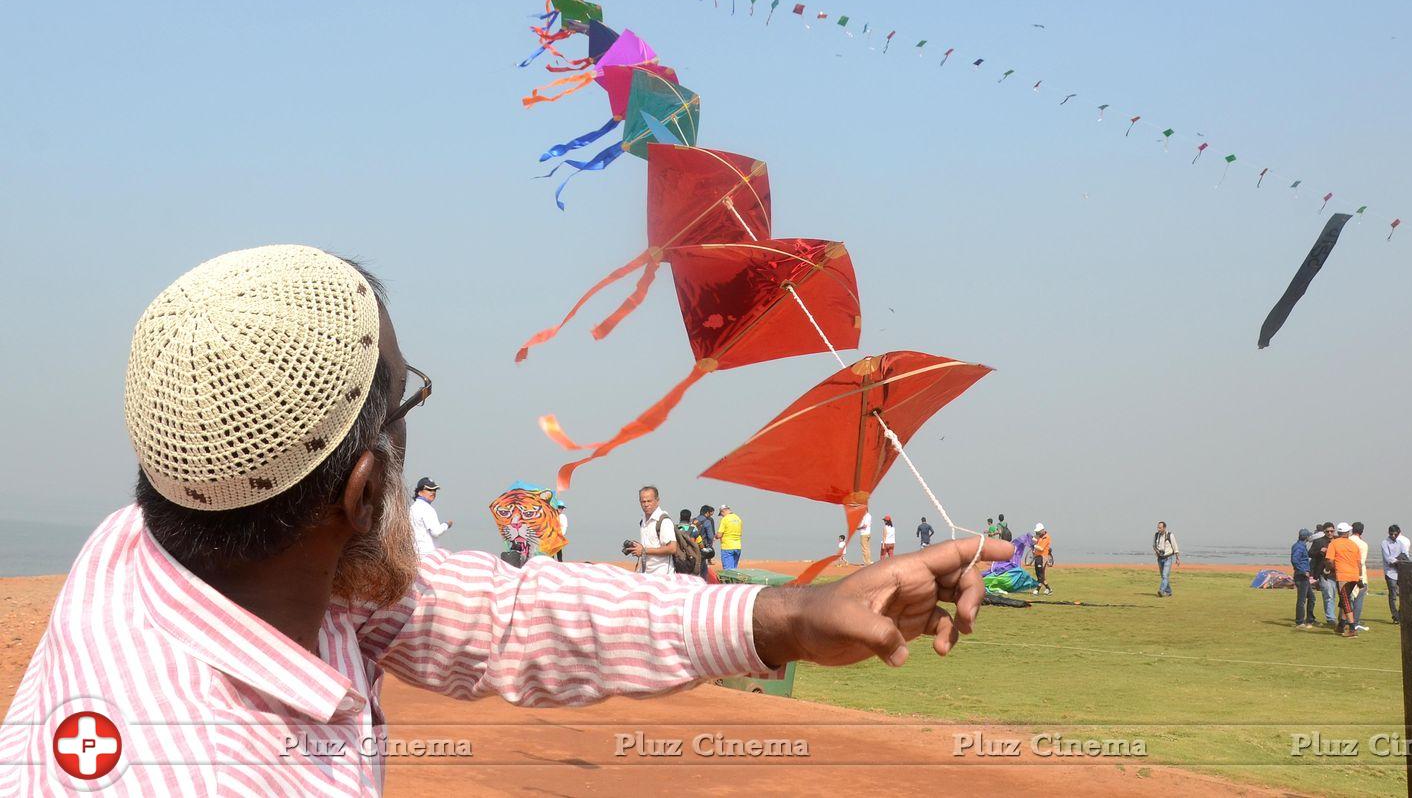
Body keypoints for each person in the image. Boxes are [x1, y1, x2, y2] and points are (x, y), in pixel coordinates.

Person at [0, 245, 1016, 793]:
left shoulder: (228, 550)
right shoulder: (181, 766)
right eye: (406, 409)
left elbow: (502, 618)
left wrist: (786, 618)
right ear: (360, 494)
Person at [625, 486, 677, 576]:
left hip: (663, 574)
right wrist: (638, 549)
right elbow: (649, 547)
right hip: (646, 573)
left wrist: (644, 550)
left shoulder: (663, 521)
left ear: (657, 501)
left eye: (649, 501)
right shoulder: (643, 521)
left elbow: (672, 548)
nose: (646, 504)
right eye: (643, 501)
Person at [1327, 522, 1362, 636]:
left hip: (1342, 576)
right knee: (1344, 600)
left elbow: (1330, 561)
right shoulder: (1353, 545)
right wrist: (1360, 577)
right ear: (1347, 532)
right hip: (1355, 576)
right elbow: (1359, 563)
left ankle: (1352, 628)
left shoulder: (1334, 543)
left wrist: (1328, 570)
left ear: (1338, 532)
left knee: (1345, 601)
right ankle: (1341, 625)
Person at [409, 477, 452, 554]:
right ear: (419, 492)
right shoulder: (427, 508)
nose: (433, 492)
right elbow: (436, 532)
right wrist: (447, 524)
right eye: (429, 489)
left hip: (414, 553)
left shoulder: (411, 509)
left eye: (434, 490)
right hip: (429, 554)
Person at [1380, 523, 1410, 623]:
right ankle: (1395, 616)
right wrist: (1398, 560)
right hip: (1390, 572)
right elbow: (1388, 558)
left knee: (1403, 594)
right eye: (1391, 534)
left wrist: (1398, 560)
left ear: (1398, 533)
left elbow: (1405, 555)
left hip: (1400, 572)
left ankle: (1400, 615)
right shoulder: (1385, 543)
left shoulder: (1400, 543)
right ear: (1388, 533)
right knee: (1392, 595)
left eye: (1395, 534)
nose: (1393, 536)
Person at [1309, 522, 1337, 626]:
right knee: (1328, 595)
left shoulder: (1337, 541)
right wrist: (1320, 551)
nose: (1330, 533)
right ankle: (1330, 618)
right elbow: (1310, 553)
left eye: (1331, 531)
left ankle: (1333, 616)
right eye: (1327, 531)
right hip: (1323, 572)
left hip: (1335, 573)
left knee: (1333, 595)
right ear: (1324, 532)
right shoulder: (1319, 541)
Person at [1291, 528, 1316, 629]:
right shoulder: (1299, 547)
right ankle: (1300, 622)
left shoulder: (1300, 546)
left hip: (1303, 576)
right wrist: (1303, 571)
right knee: (1301, 600)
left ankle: (1310, 619)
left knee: (1312, 598)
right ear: (1306, 537)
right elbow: (1294, 560)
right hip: (1301, 576)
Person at [1349, 522, 1371, 631]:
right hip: (1358, 574)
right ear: (1362, 531)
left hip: (1346, 573)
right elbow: (1361, 562)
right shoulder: (1363, 544)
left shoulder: (1346, 541)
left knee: (1347, 599)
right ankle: (1355, 622)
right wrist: (1361, 578)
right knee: (1358, 599)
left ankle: (1346, 621)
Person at [1153, 521, 1180, 597]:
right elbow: (1154, 545)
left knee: (1165, 575)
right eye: (1158, 527)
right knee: (1163, 576)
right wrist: (1156, 551)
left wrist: (1177, 558)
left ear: (1164, 528)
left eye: (1160, 528)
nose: (1158, 529)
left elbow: (1175, 547)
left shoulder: (1170, 535)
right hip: (1160, 558)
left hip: (1168, 557)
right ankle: (1169, 591)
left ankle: (1161, 591)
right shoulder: (1156, 535)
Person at [717, 504, 743, 570]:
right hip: (738, 547)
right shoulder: (738, 518)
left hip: (727, 547)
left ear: (723, 511)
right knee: (734, 570)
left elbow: (719, 535)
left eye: (721, 514)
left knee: (728, 571)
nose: (722, 516)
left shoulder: (725, 519)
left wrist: (715, 536)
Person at [1032, 523, 1054, 595]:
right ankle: (1048, 589)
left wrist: (1034, 546)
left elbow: (1041, 548)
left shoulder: (1046, 537)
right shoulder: (1040, 536)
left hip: (1042, 557)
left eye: (1038, 531)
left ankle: (1037, 590)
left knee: (1040, 574)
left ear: (1042, 530)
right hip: (1038, 557)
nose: (1037, 533)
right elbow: (1034, 539)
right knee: (1039, 575)